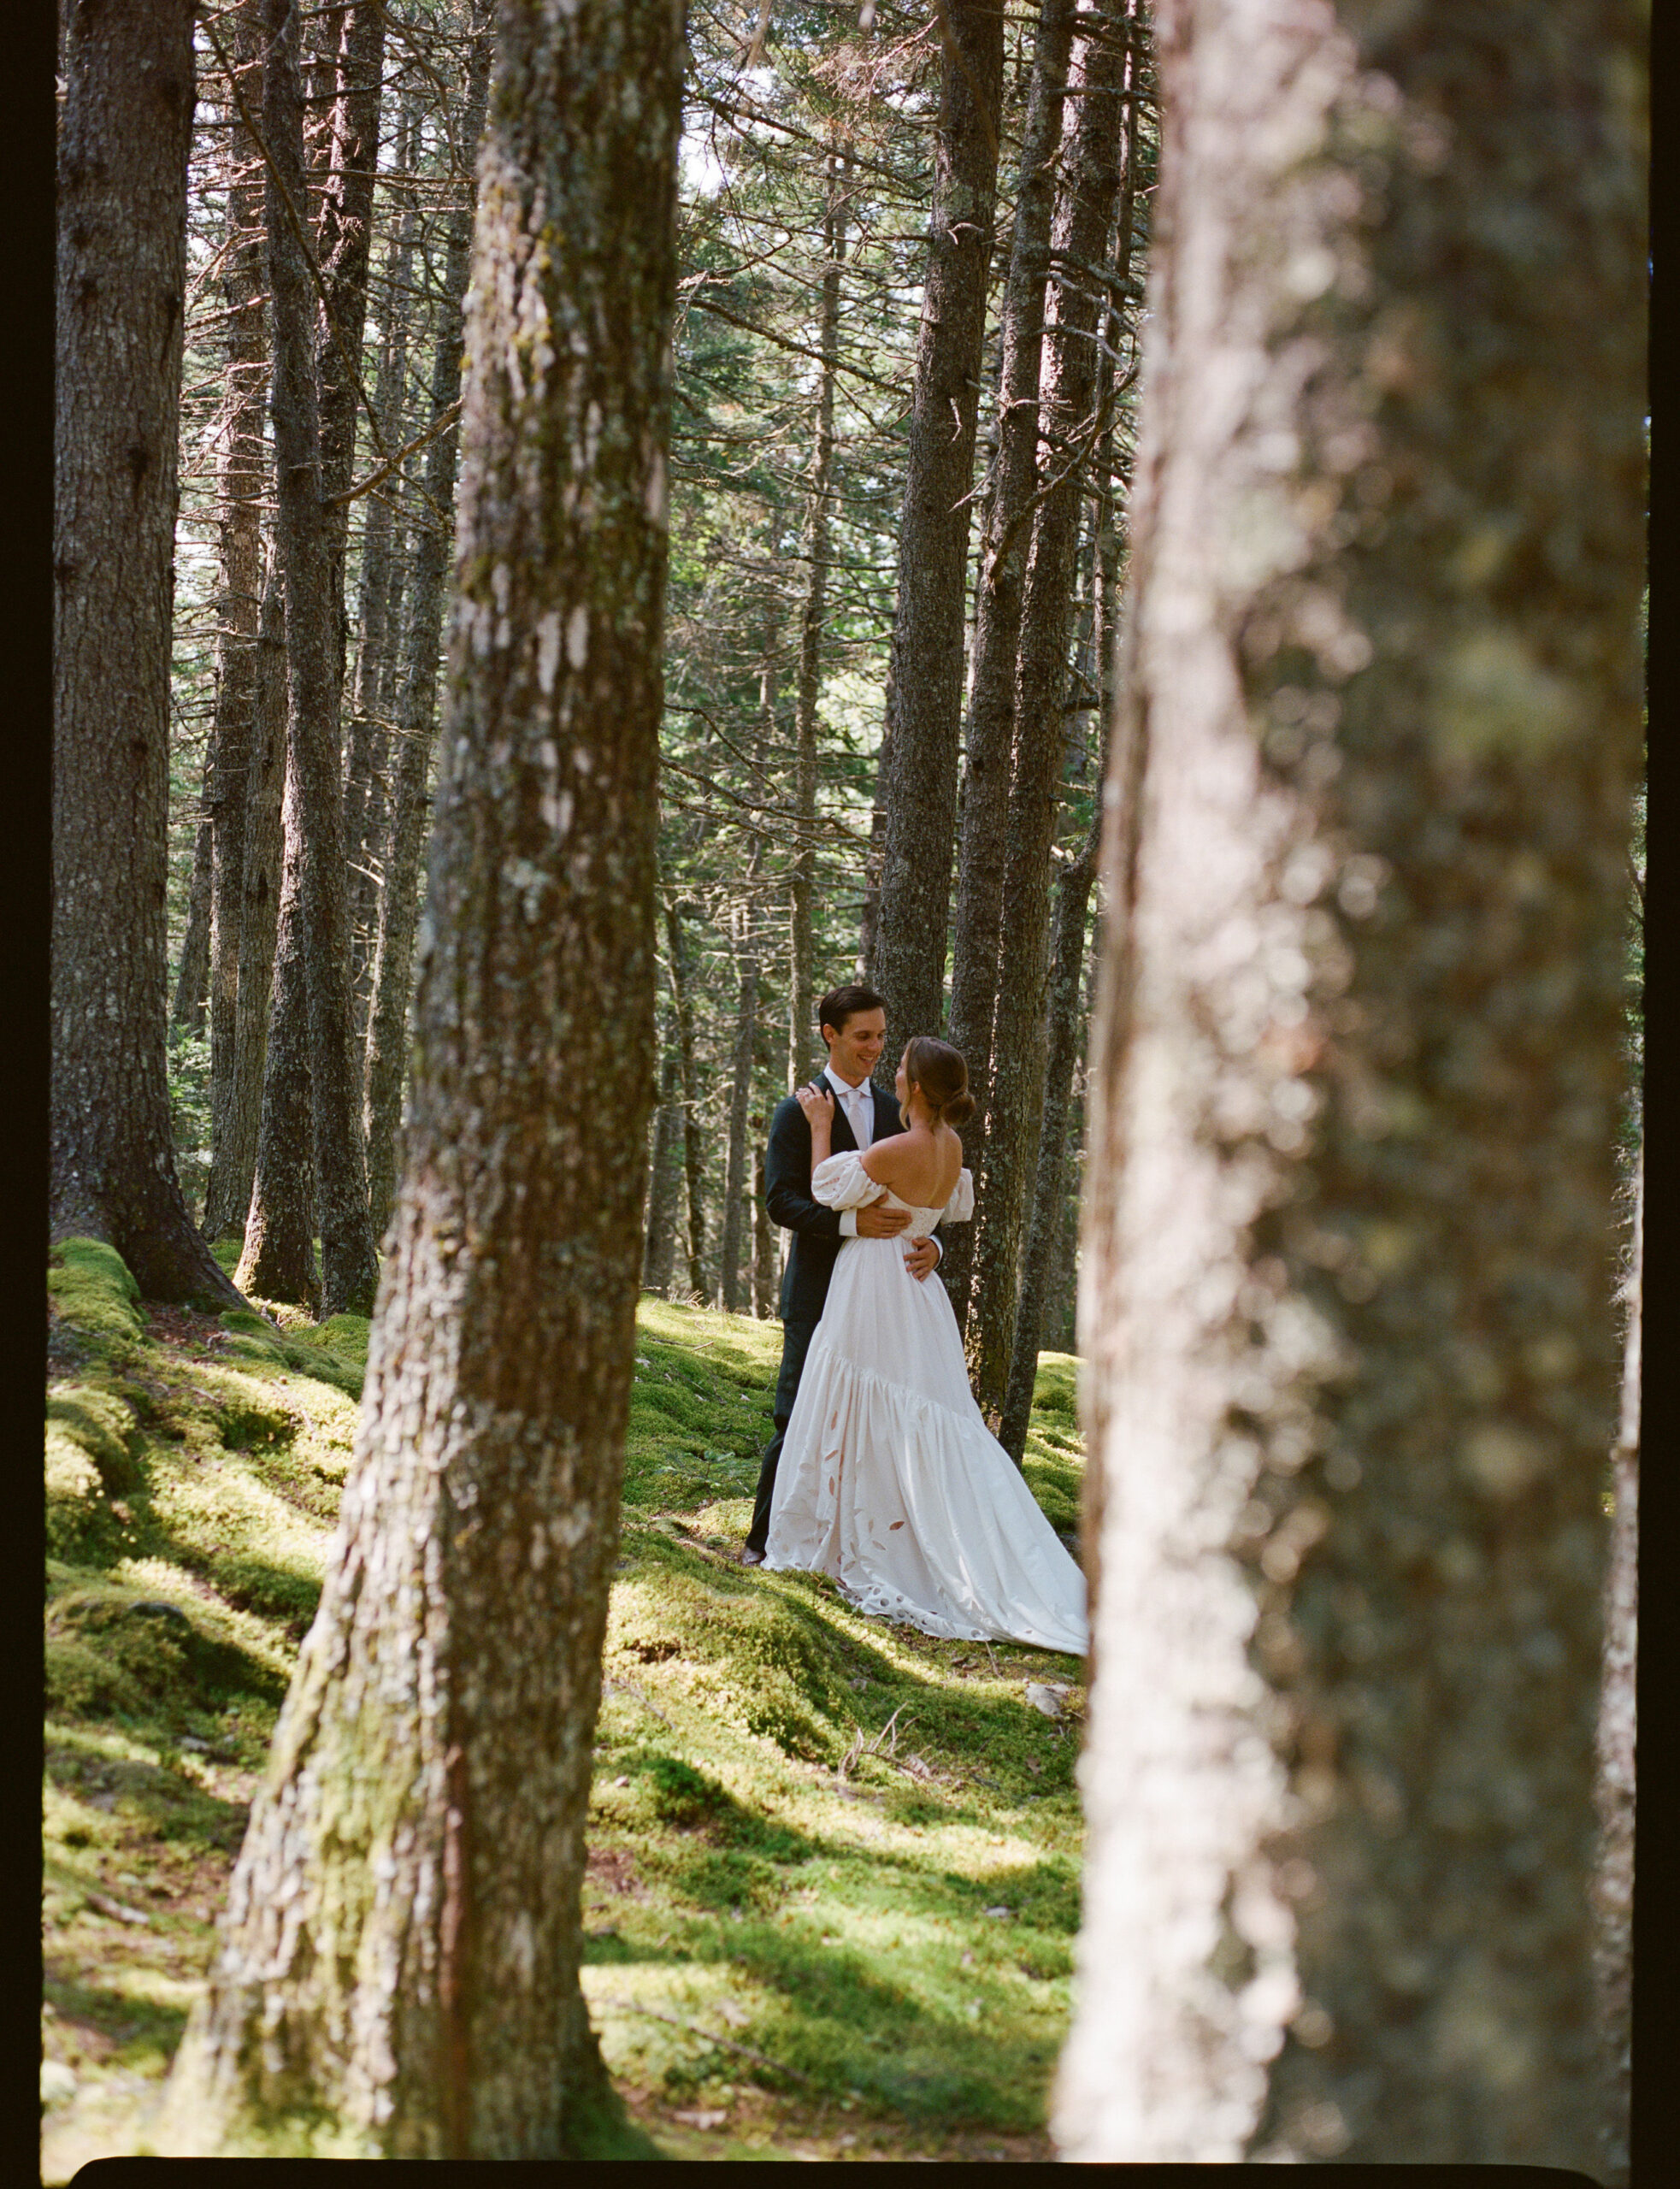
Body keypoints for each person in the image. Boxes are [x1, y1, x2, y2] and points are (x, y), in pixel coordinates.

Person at [763, 1035, 1088, 1655]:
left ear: (913, 1087)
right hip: (917, 1290)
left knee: (865, 1395)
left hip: (874, 1286)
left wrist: (821, 1125)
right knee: (915, 1408)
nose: (891, 1068)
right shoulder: (950, 1145)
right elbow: (945, 1211)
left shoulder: (897, 1148)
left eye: (901, 1068)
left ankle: (875, 1540)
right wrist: (931, 1242)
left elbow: (826, 1188)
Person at [740, 985, 944, 1566]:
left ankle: (856, 1546)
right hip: (817, 1288)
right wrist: (851, 1222)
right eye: (863, 1036)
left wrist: (933, 1244)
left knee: (876, 1419)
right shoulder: (796, 1111)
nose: (875, 1047)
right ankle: (763, 1542)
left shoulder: (895, 1110)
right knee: (798, 1410)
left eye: (881, 1035)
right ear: (830, 1034)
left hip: (885, 1297)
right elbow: (781, 1202)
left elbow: (922, 1194)